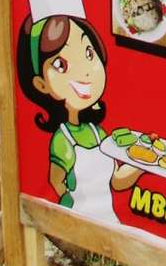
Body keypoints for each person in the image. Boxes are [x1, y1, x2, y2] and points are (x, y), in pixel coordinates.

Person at [15, 11, 141, 222]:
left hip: (110, 221)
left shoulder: (96, 131)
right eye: (61, 65)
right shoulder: (63, 140)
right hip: (78, 217)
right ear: (41, 84)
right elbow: (56, 182)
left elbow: (115, 181)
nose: (85, 72)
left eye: (89, 54)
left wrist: (140, 166)